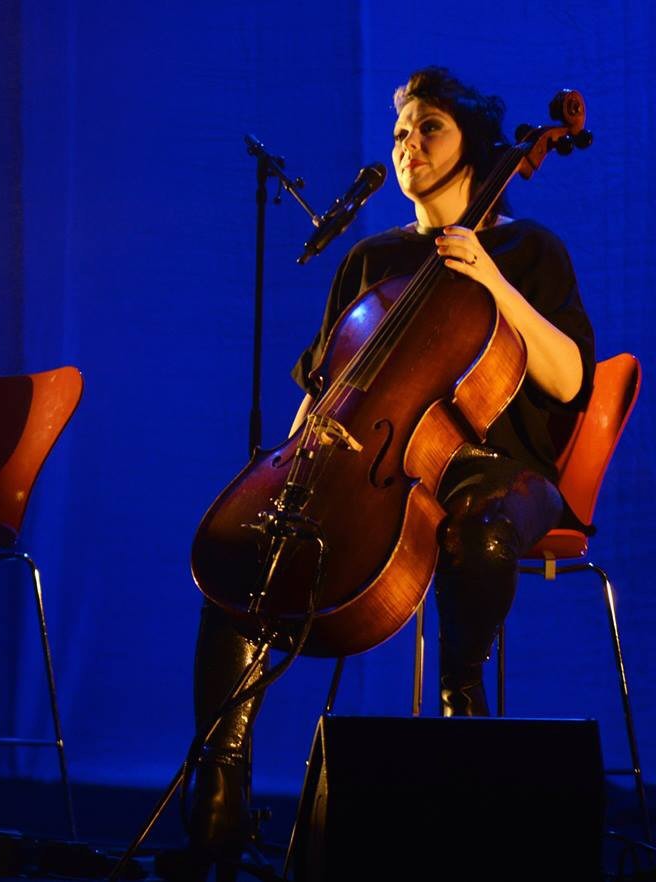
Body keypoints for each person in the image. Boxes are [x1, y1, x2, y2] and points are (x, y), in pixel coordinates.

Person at [180, 67, 595, 875]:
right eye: (401, 132)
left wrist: (492, 280)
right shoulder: (372, 259)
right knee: (245, 555)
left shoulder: (527, 247)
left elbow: (570, 378)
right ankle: (219, 792)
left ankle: (460, 712)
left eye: (428, 128)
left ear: (474, 146)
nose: (408, 145)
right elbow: (328, 383)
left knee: (477, 537)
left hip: (500, 470)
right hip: (375, 463)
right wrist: (294, 467)